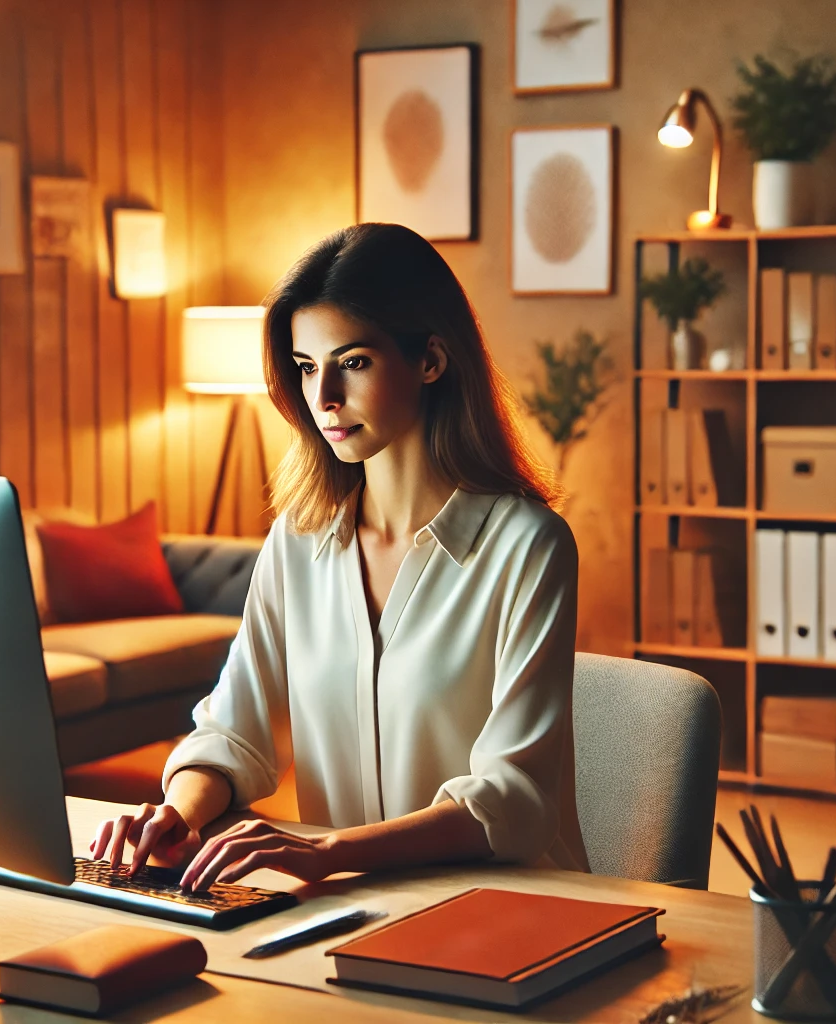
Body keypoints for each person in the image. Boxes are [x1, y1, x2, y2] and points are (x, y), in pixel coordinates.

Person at [91, 222, 589, 890]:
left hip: (507, 910)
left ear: (431, 360)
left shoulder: (529, 547)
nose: (322, 397)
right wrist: (176, 815)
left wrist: (329, 852)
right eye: (305, 367)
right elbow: (231, 734)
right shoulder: (297, 540)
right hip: (348, 907)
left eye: (352, 362)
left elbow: (515, 800)